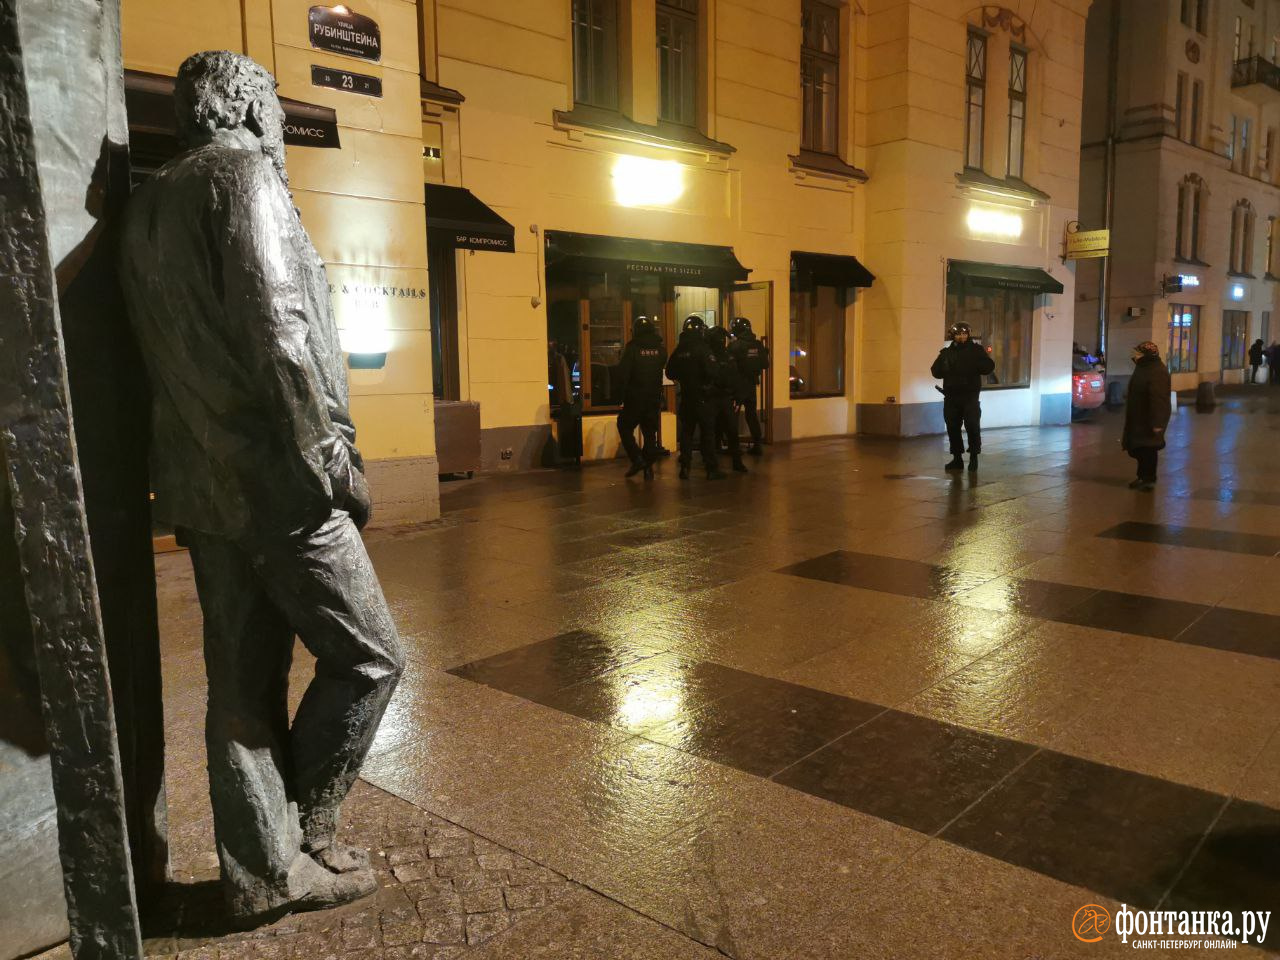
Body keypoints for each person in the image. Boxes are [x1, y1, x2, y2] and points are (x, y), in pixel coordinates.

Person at [119, 51, 403, 924]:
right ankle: (307, 830)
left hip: (201, 488)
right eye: (273, 107)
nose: (278, 124)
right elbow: (279, 328)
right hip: (280, 483)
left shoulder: (144, 205)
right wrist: (333, 463)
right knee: (370, 657)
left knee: (240, 683)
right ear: (243, 104)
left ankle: (259, 872)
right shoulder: (243, 177)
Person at [931, 322, 995, 472]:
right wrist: (944, 366)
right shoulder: (946, 353)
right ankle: (957, 458)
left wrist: (980, 363)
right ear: (953, 335)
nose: (962, 337)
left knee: (972, 426)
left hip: (970, 397)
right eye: (958, 334)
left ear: (968, 334)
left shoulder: (976, 351)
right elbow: (935, 371)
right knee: (953, 428)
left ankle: (974, 457)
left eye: (964, 334)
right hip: (951, 397)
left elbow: (988, 367)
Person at [615, 315, 666, 479]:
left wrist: (620, 396)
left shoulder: (633, 348)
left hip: (635, 397)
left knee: (623, 425)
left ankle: (637, 459)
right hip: (654, 397)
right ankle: (648, 469)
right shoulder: (660, 349)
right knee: (650, 434)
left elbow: (623, 374)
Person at [666, 315, 716, 479]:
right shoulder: (703, 348)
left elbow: (670, 372)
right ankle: (710, 469)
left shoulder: (680, 349)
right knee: (707, 433)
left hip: (686, 397)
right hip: (703, 396)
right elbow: (712, 371)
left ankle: (685, 467)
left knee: (686, 433)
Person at [1121, 340, 1172, 491]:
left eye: (1137, 353)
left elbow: (1159, 399)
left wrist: (1158, 423)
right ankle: (1142, 476)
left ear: (1146, 355)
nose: (1134, 356)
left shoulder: (1156, 371)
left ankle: (1148, 479)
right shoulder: (1144, 367)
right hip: (1140, 417)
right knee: (1140, 448)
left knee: (1148, 449)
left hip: (1148, 419)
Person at [707, 327, 748, 476]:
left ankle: (714, 466)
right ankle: (735, 463)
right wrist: (737, 397)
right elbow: (735, 377)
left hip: (717, 398)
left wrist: (737, 396)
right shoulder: (724, 355)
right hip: (722, 398)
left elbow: (734, 377)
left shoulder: (714, 355)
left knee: (715, 433)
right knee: (729, 431)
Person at [729, 316, 770, 455]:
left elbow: (729, 365)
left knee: (732, 416)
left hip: (737, 385)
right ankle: (757, 444)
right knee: (751, 415)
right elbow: (765, 364)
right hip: (752, 384)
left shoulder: (735, 346)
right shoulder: (758, 344)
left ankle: (733, 447)